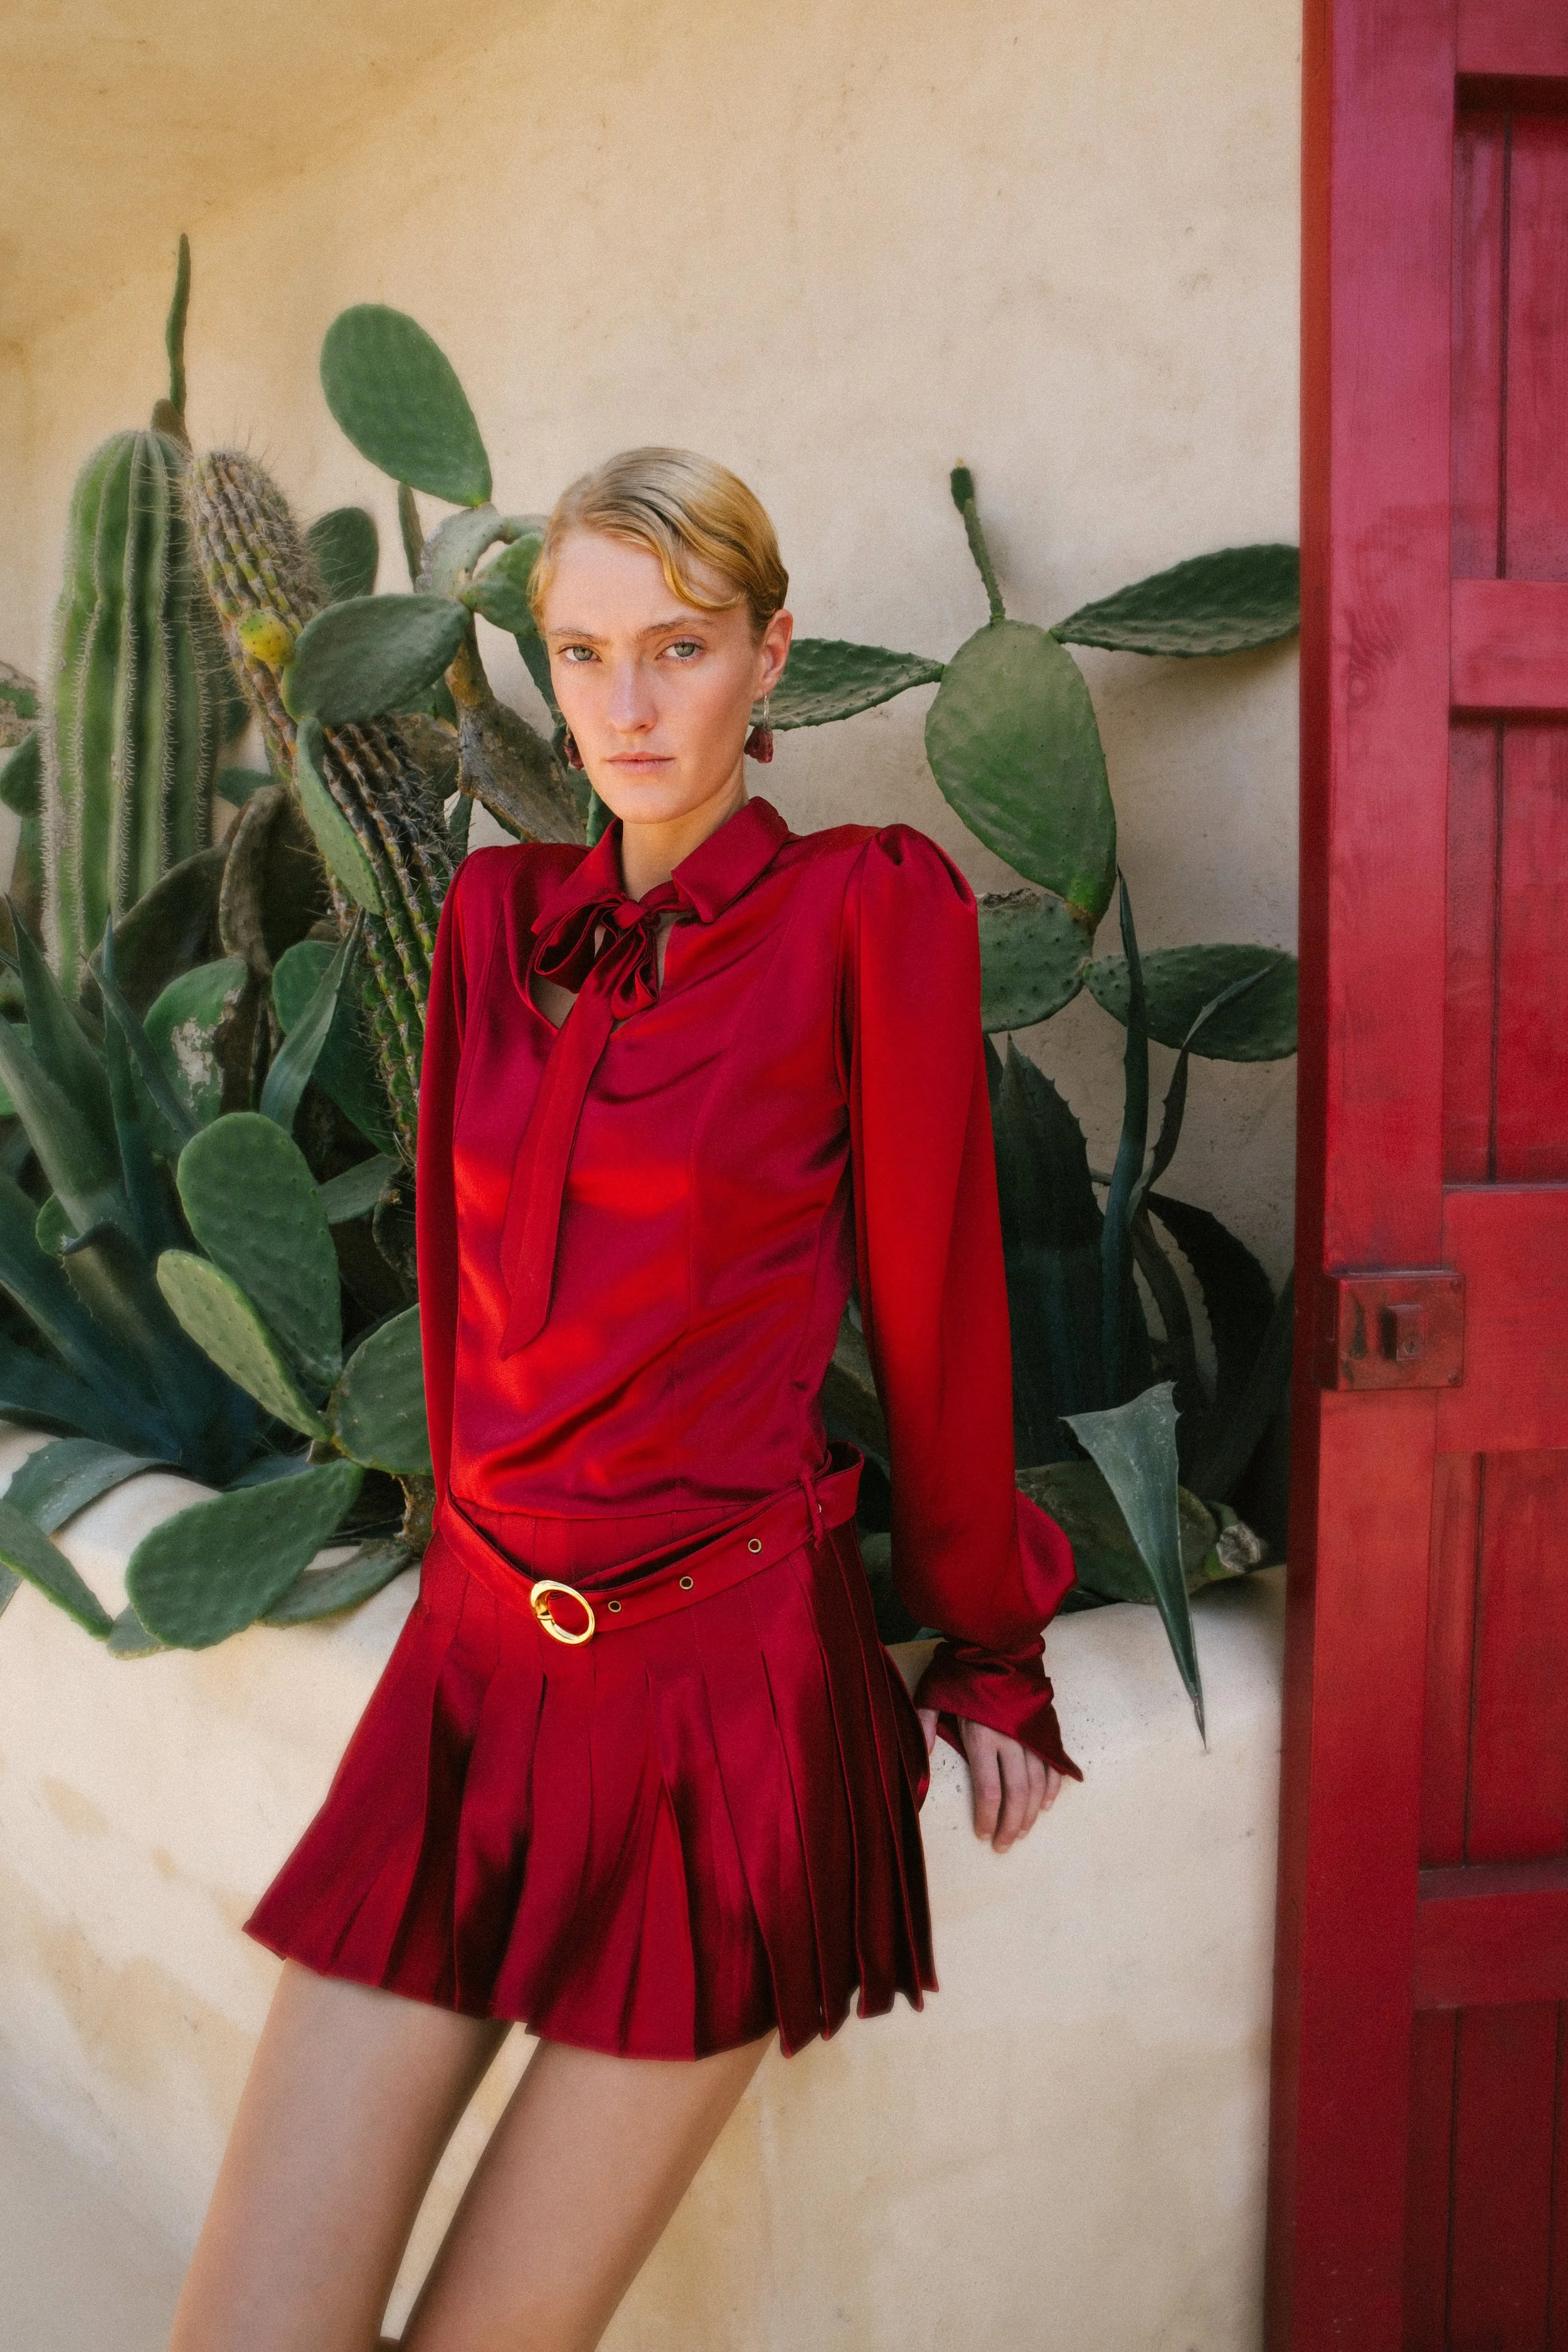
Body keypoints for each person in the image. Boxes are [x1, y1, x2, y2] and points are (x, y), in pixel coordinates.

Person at [169, 448, 1080, 2352]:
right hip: (474, 1686)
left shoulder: (863, 907)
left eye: (681, 646)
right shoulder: (493, 922)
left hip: (718, 1713)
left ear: (772, 654)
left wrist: (988, 1643)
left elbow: (938, 1310)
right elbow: (463, 1320)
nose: (629, 703)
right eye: (583, 654)